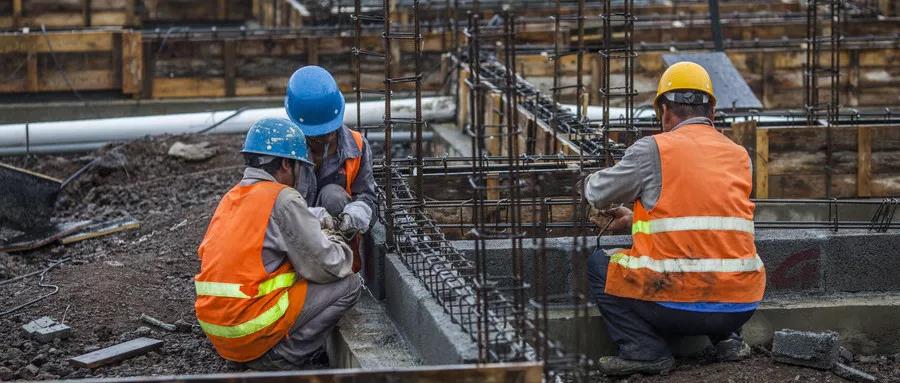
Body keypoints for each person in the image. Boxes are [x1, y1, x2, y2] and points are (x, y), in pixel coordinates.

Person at [582, 61, 766, 376]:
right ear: (711, 112)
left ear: (665, 111)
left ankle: (645, 351)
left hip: (674, 305)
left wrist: (589, 180)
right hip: (741, 304)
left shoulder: (654, 149)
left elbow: (598, 193)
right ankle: (729, 342)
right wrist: (634, 219)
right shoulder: (739, 155)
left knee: (598, 264)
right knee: (722, 252)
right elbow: (708, 216)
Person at [194, 118, 360, 370]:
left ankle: (254, 352)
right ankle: (280, 358)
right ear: (285, 163)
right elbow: (328, 266)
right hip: (249, 330)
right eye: (298, 167)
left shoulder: (231, 198)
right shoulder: (281, 197)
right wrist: (335, 238)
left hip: (220, 333)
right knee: (349, 284)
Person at [285, 65, 377, 272]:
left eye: (330, 130)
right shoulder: (285, 149)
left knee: (333, 196)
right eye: (318, 134)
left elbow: (368, 196)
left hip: (337, 237)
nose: (327, 137)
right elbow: (269, 204)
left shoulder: (357, 145)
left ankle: (341, 267)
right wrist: (309, 218)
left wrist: (358, 212)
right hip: (293, 234)